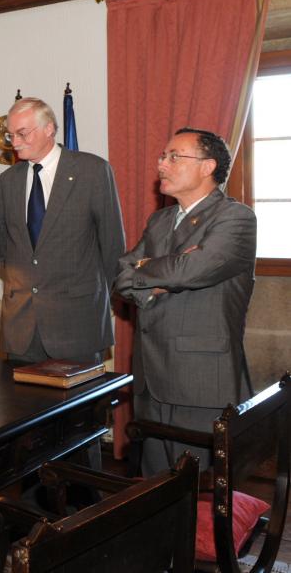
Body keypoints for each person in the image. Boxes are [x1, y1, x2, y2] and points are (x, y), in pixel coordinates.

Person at [116, 128, 256, 475]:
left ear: (207, 167)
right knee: (154, 489)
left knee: (201, 491)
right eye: (163, 156)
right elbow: (121, 276)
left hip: (199, 379)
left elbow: (191, 272)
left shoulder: (235, 218)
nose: (161, 164)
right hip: (150, 375)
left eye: (174, 156)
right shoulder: (159, 220)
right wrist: (162, 278)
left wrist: (148, 269)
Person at [0, 97, 125, 365]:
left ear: (49, 129)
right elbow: (5, 249)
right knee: (23, 406)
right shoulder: (8, 180)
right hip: (21, 329)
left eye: (22, 133)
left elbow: (112, 245)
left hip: (77, 325)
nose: (14, 142)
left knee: (83, 407)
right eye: (11, 135)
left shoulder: (92, 171)